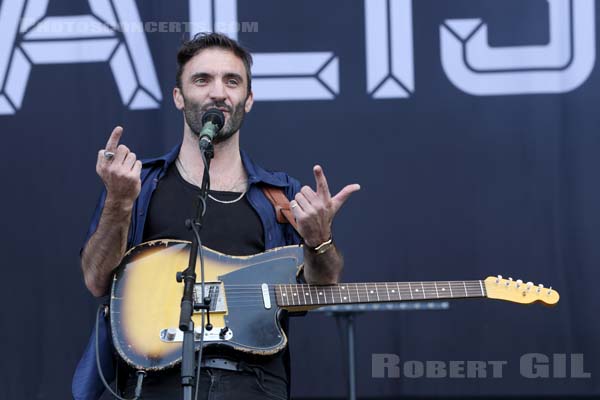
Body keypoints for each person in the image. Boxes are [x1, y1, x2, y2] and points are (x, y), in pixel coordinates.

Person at [72, 32, 360, 400]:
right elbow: (97, 282)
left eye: (232, 81)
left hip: (254, 385)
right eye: (202, 79)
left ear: (248, 99)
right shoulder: (138, 183)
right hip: (154, 383)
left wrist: (321, 241)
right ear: (179, 97)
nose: (218, 92)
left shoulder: (280, 196)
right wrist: (119, 202)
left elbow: (321, 290)